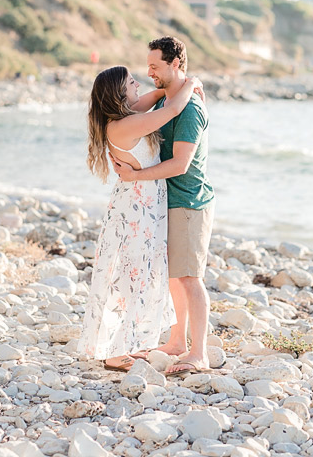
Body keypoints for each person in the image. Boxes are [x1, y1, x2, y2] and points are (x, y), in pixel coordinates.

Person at [77, 65, 200, 371]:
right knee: (134, 274)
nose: (138, 86)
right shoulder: (122, 126)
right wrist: (194, 81)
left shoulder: (126, 117)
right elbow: (171, 110)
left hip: (143, 203)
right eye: (132, 83)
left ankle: (124, 344)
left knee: (139, 272)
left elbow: (158, 97)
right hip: (137, 208)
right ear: (121, 93)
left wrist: (173, 83)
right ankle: (116, 352)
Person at [112, 36, 216, 376]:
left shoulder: (190, 109)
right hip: (167, 202)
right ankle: (176, 343)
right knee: (175, 276)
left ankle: (198, 353)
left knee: (190, 277)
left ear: (176, 64)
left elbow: (180, 165)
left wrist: (135, 177)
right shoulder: (165, 101)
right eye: (148, 66)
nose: (149, 72)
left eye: (155, 66)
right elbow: (133, 108)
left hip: (188, 202)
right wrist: (177, 86)